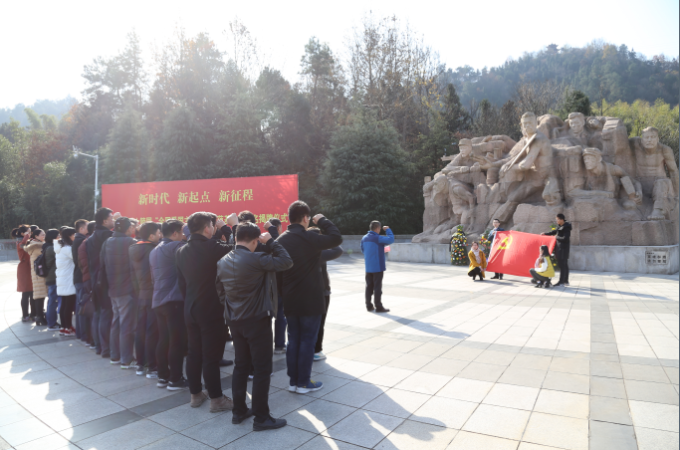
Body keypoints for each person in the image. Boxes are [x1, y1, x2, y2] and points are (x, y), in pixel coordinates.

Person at [216, 222, 293, 430]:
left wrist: (233, 308)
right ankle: (261, 417)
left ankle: (239, 411)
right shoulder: (257, 258)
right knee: (262, 368)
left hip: (234, 320)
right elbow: (286, 261)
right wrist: (272, 242)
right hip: (257, 320)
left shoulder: (222, 261)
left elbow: (220, 292)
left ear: (236, 237)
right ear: (255, 240)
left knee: (241, 365)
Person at [277, 201, 342, 394]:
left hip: (290, 299)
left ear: (289, 218)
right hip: (311, 299)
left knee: (293, 340)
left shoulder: (281, 240)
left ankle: (293, 381)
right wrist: (322, 220)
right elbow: (336, 239)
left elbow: (277, 273)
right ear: (306, 218)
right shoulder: (310, 238)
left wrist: (282, 294)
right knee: (307, 340)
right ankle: (304, 382)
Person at [176, 212, 238, 412]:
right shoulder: (212, 247)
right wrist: (231, 227)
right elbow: (241, 247)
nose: (213, 228)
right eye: (212, 225)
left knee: (194, 353)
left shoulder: (181, 251)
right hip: (211, 309)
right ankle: (217, 399)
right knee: (211, 356)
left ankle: (196, 394)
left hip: (190, 308)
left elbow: (181, 283)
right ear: (206, 228)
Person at [150, 220, 188, 389]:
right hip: (173, 301)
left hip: (158, 300)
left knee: (164, 339)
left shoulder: (155, 250)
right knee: (176, 341)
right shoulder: (175, 246)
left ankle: (163, 376)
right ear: (174, 233)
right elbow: (193, 246)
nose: (183, 235)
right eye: (181, 232)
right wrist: (190, 228)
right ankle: (175, 379)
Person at [101, 217, 138, 368]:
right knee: (126, 324)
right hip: (127, 288)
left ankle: (115, 356)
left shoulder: (107, 242)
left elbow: (102, 264)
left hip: (112, 288)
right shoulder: (131, 242)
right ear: (128, 229)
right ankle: (126, 359)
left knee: (116, 323)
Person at [129, 222, 162, 378]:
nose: (160, 235)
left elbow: (132, 275)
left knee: (140, 329)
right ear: (151, 235)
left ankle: (140, 364)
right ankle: (152, 366)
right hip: (153, 294)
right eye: (158, 233)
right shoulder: (154, 250)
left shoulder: (133, 248)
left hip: (141, 295)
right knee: (152, 331)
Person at [88, 208, 116, 357]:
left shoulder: (92, 236)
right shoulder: (107, 236)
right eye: (111, 218)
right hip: (105, 279)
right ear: (105, 221)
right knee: (106, 313)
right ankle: (106, 349)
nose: (113, 220)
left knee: (98, 313)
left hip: (95, 278)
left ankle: (99, 346)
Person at [314, 237, 343, 361]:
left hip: (303, 292)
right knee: (319, 323)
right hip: (321, 293)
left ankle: (304, 350)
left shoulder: (298, 250)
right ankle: (316, 350)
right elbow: (338, 249)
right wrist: (325, 240)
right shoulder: (318, 252)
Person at [360, 221, 394, 313]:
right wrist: (388, 230)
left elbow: (363, 250)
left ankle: (368, 306)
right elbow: (391, 240)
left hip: (368, 267)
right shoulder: (377, 238)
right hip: (377, 267)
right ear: (378, 228)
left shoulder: (364, 238)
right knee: (377, 287)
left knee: (369, 287)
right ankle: (378, 306)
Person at [265, 218, 287, 354]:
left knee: (266, 317)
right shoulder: (279, 243)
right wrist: (272, 230)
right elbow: (277, 244)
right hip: (278, 286)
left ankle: (266, 345)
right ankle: (279, 345)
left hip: (267, 286)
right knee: (280, 317)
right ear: (279, 228)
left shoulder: (261, 243)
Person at [56, 228, 78, 336]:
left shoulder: (60, 247)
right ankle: (68, 328)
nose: (75, 237)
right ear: (70, 236)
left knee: (64, 304)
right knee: (68, 305)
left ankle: (64, 327)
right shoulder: (68, 248)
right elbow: (77, 259)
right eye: (74, 235)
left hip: (62, 279)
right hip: (68, 279)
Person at [24, 229, 48, 325]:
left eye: (44, 234)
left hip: (38, 273)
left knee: (39, 295)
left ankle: (39, 317)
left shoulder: (35, 244)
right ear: (36, 236)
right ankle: (40, 317)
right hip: (39, 274)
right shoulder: (37, 246)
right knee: (39, 296)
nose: (44, 236)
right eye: (42, 235)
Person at [78, 221, 96, 347]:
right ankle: (92, 339)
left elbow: (81, 264)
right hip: (91, 279)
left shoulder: (84, 243)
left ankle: (89, 338)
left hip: (86, 278)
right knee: (93, 311)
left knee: (89, 311)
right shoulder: (89, 243)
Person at [542, 214, 571, 287]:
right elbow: (555, 231)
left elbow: (565, 238)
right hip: (559, 248)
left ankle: (561, 282)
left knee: (562, 265)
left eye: (557, 219)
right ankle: (565, 281)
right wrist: (545, 234)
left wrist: (556, 237)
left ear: (562, 220)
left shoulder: (566, 227)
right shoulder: (560, 226)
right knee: (564, 265)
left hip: (563, 249)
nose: (556, 221)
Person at [72, 219, 89, 341]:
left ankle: (80, 333)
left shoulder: (77, 240)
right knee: (83, 307)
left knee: (80, 307)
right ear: (81, 229)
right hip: (81, 277)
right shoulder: (81, 241)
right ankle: (83, 334)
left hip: (78, 277)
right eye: (87, 226)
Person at [16, 225, 33, 322]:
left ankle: (33, 314)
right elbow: (23, 244)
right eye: (28, 232)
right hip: (24, 270)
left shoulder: (30, 241)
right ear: (22, 233)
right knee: (26, 293)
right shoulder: (20, 242)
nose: (30, 234)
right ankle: (25, 315)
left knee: (32, 293)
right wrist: (27, 236)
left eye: (30, 232)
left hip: (31, 268)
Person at [44, 229, 61, 330]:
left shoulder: (47, 246)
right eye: (58, 235)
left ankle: (51, 322)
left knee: (52, 300)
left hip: (51, 277)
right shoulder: (51, 248)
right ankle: (51, 323)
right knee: (52, 301)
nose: (60, 237)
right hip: (53, 277)